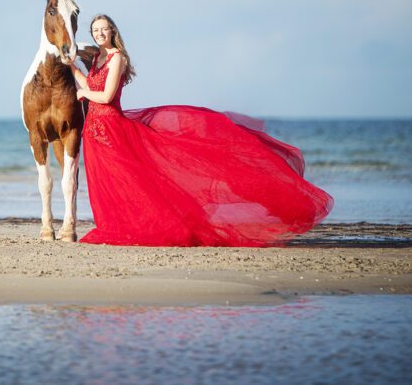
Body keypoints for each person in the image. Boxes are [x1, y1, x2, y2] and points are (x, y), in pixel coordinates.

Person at [69, 14, 333, 247]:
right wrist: (71, 67)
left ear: (113, 31)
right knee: (111, 182)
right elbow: (88, 83)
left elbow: (105, 96)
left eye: (104, 29)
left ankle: (142, 226)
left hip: (113, 127)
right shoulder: (97, 58)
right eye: (95, 31)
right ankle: (116, 225)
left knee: (133, 179)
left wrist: (83, 93)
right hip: (94, 132)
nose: (100, 34)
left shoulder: (117, 58)